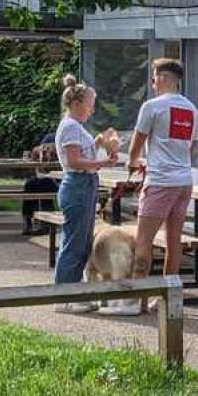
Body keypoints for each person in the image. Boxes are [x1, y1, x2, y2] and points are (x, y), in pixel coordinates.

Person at [127, 59, 198, 315]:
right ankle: (168, 298)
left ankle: (137, 299)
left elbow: (137, 143)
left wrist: (132, 163)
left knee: (144, 240)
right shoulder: (192, 109)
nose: (153, 82)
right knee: (173, 241)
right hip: (183, 181)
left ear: (166, 78)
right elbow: (192, 147)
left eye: (155, 77)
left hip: (159, 180)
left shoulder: (152, 106)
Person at [53, 75, 116, 313]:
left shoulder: (75, 127)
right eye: (90, 104)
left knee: (80, 244)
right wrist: (105, 163)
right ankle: (63, 297)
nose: (92, 110)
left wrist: (99, 142)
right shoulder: (70, 126)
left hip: (83, 186)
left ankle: (72, 293)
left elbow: (83, 154)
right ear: (77, 103)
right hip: (78, 185)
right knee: (74, 245)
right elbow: (75, 161)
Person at [21, 133, 58, 237]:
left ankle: (45, 223)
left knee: (44, 185)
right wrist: (37, 153)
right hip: (43, 178)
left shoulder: (67, 145)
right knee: (30, 185)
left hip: (58, 180)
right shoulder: (47, 141)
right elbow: (35, 160)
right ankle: (27, 222)